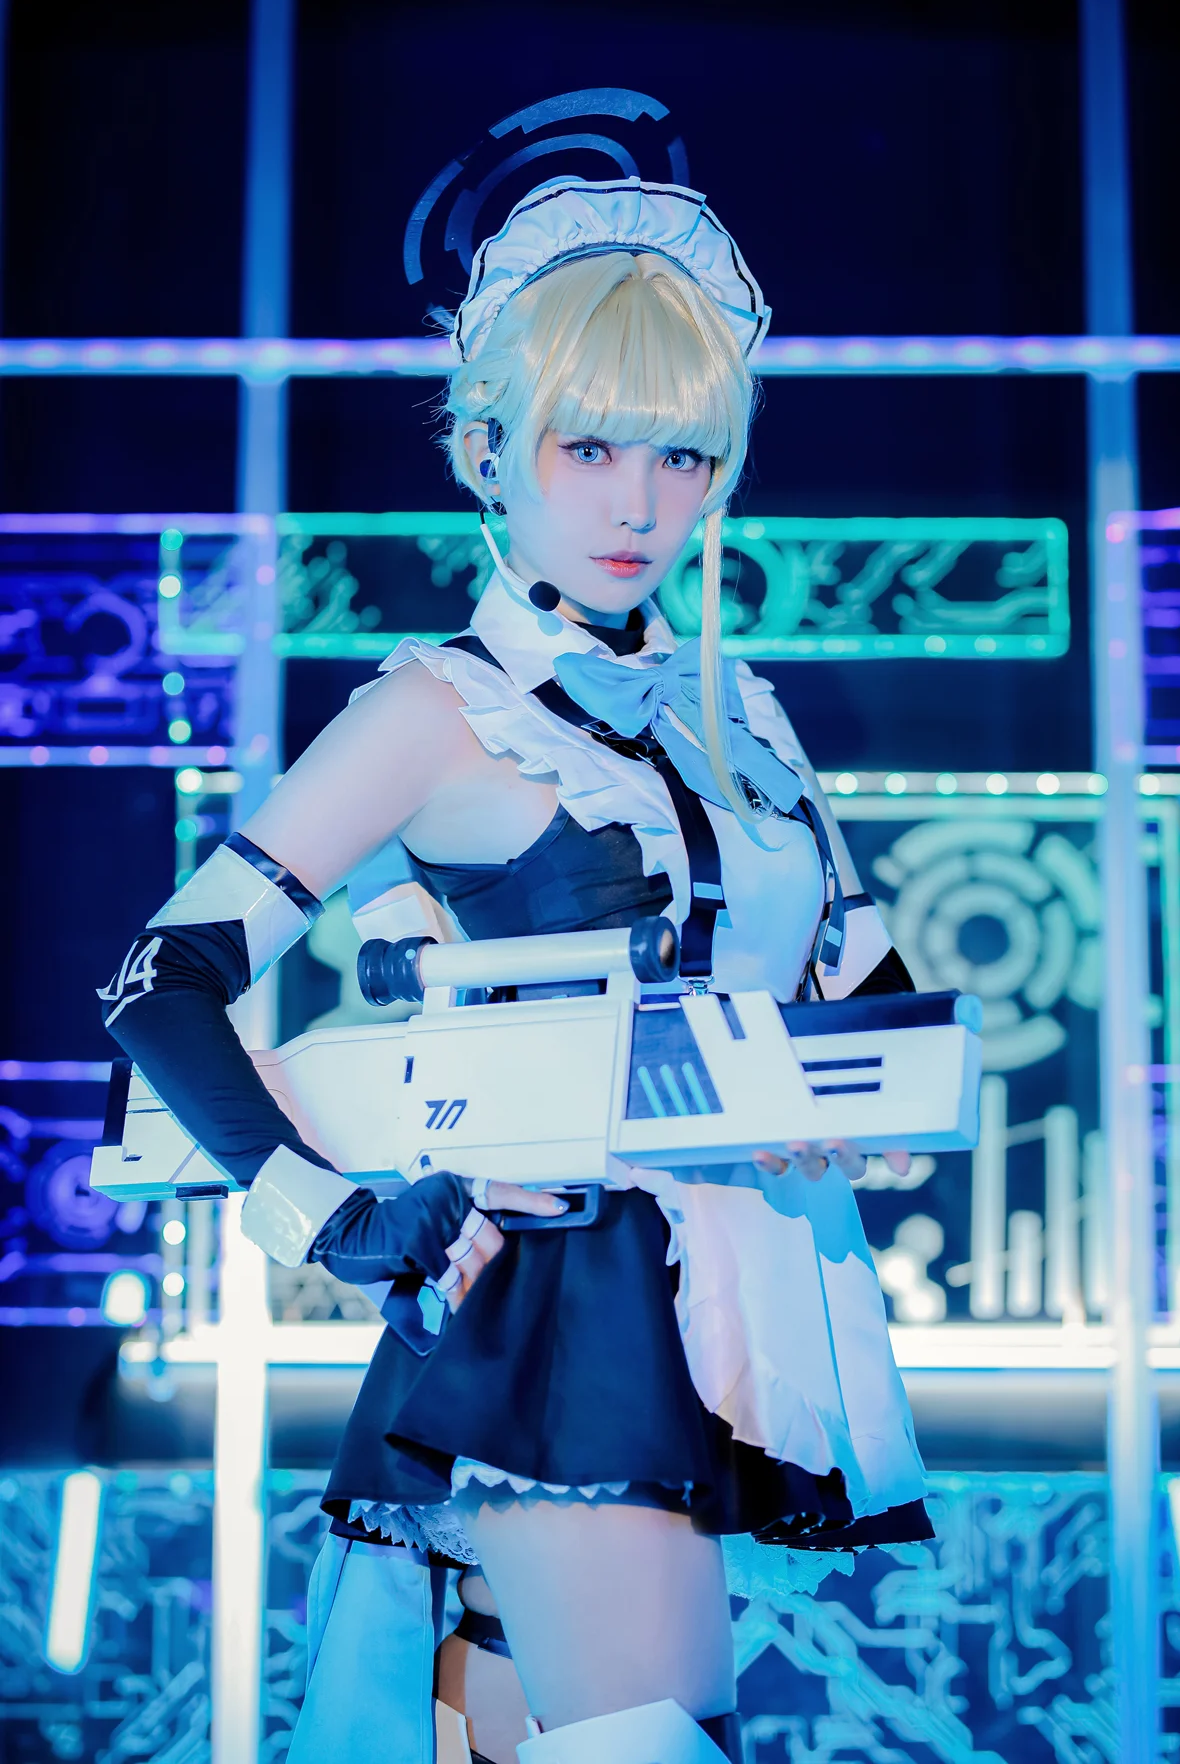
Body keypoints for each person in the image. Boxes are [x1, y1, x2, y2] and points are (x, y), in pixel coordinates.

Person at [100, 179, 931, 1764]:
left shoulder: (743, 715)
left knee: (500, 1742)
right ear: (488, 448)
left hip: (743, 1290)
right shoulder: (436, 710)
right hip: (561, 1299)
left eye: (683, 457)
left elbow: (870, 989)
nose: (641, 504)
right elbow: (161, 978)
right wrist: (330, 1216)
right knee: (653, 1743)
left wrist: (863, 1113)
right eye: (589, 448)